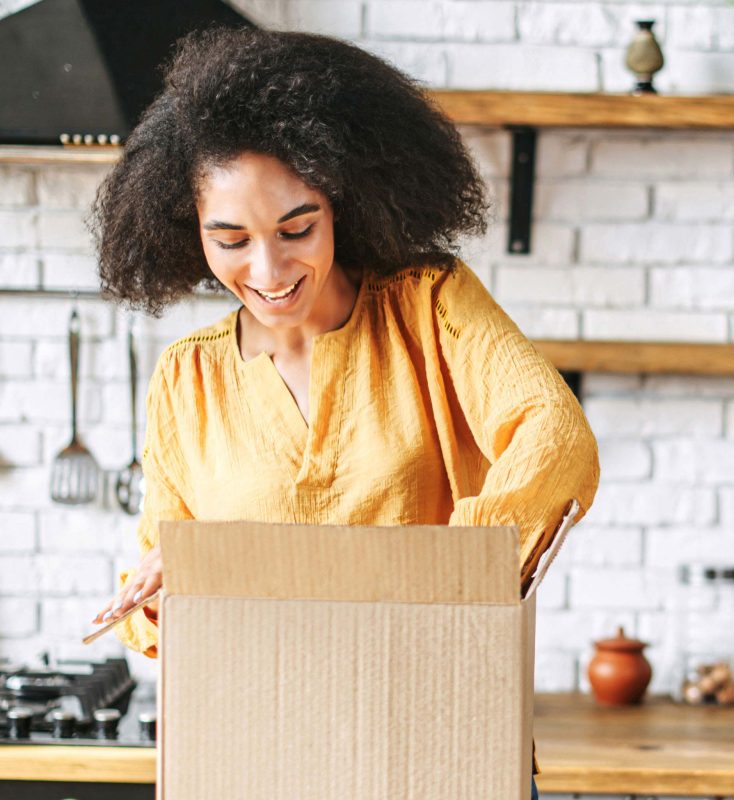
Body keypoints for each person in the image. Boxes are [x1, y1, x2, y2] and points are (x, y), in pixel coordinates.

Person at [88, 28, 599, 798]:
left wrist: (450, 579)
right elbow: (158, 570)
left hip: (437, 733)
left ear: (344, 203)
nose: (268, 271)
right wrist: (168, 592)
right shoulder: (187, 377)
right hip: (266, 748)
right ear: (188, 233)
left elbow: (555, 438)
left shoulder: (429, 305)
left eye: (298, 229)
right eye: (230, 240)